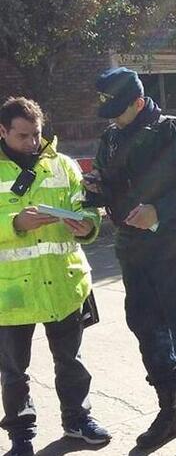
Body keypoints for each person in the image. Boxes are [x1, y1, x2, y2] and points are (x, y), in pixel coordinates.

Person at [84, 67, 176, 454]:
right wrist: (95, 190)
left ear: (139, 102)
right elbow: (110, 184)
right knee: (148, 332)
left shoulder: (174, 131)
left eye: (120, 110)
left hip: (175, 251)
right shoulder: (111, 137)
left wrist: (159, 211)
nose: (113, 118)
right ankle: (170, 410)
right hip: (133, 252)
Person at [0, 97, 108, 456]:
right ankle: (21, 435)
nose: (32, 142)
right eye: (23, 136)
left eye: (37, 134)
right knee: (14, 372)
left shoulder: (63, 166)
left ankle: (77, 420)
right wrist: (16, 223)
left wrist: (86, 225)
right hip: (11, 294)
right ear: (3, 131)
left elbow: (87, 208)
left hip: (64, 283)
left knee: (72, 362)